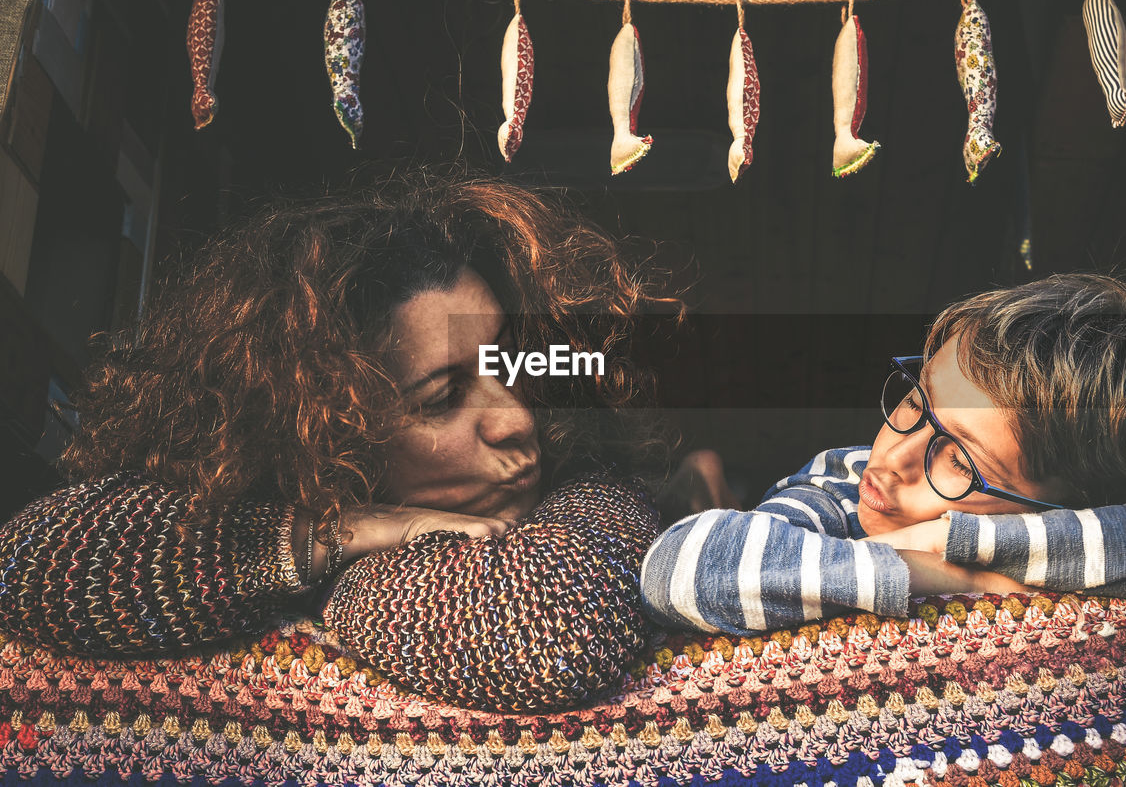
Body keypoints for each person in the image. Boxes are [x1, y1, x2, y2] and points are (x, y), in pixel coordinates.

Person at [0, 168, 677, 713]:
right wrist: (333, 533)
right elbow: (25, 561)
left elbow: (546, 630)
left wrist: (348, 579)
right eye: (442, 398)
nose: (517, 420)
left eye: (510, 363)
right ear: (328, 434)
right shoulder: (319, 519)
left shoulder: (590, 489)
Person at [641, 274, 1126, 635]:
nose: (895, 455)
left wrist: (968, 540)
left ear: (1056, 508)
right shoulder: (847, 476)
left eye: (959, 460)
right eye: (917, 403)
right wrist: (949, 575)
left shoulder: (1083, 529)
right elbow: (679, 565)